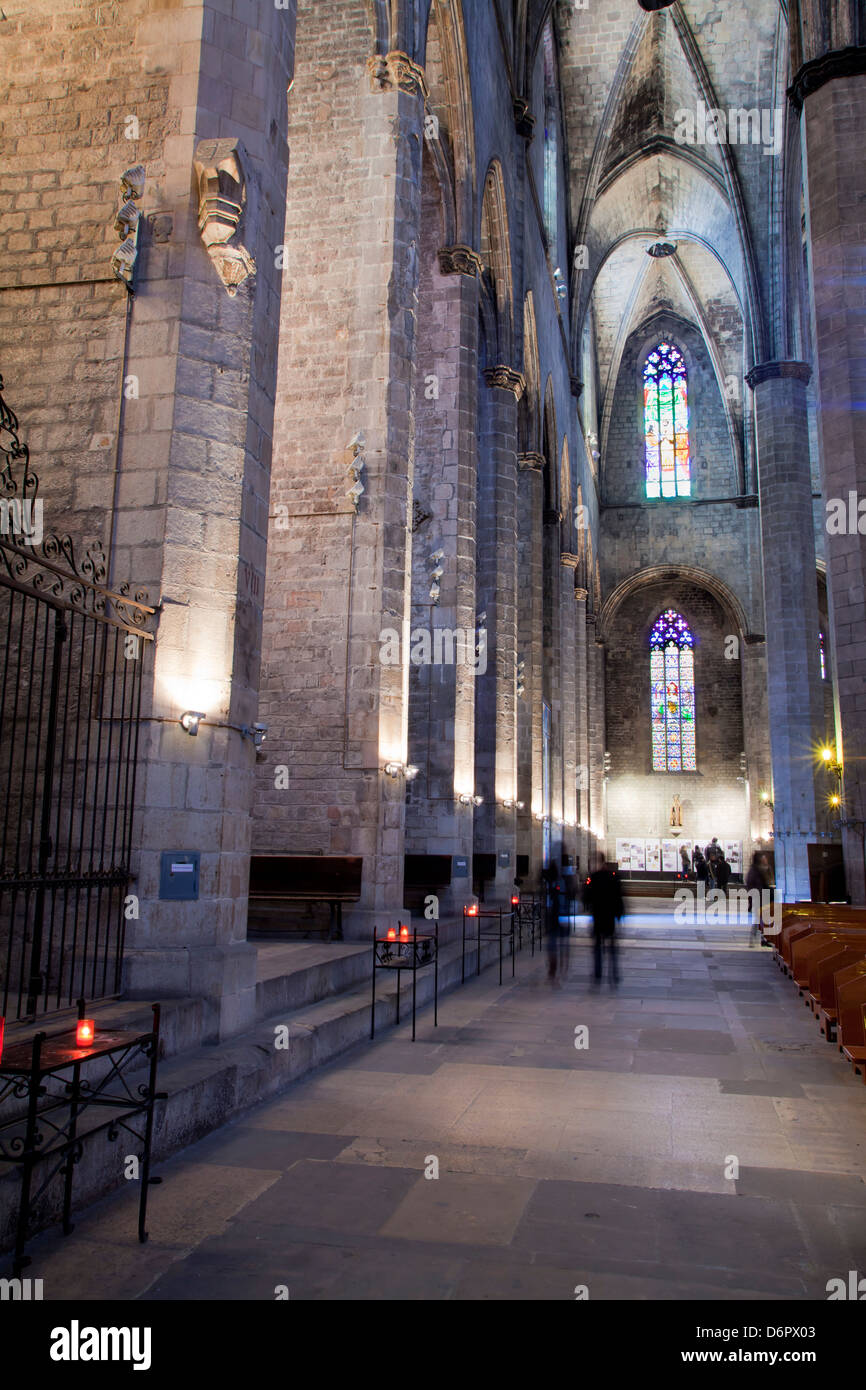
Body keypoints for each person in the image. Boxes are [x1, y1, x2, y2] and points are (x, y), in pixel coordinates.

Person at [583, 857, 624, 988]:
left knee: (598, 947)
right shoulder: (613, 878)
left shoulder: (594, 877)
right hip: (609, 917)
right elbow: (619, 897)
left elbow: (587, 897)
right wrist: (619, 914)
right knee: (611, 947)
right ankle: (614, 974)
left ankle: (598, 974)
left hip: (598, 916)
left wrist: (588, 906)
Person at [542, 859, 568, 985]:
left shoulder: (551, 882)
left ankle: (554, 968)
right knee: (557, 944)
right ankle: (557, 967)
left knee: (552, 943)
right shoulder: (558, 881)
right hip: (557, 916)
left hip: (552, 915)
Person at [745, 851, 768, 946]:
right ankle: (761, 938)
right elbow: (756, 885)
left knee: (761, 919)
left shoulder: (756, 870)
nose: (766, 860)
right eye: (764, 858)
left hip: (760, 897)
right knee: (762, 918)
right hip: (760, 897)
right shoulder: (755, 871)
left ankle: (760, 938)